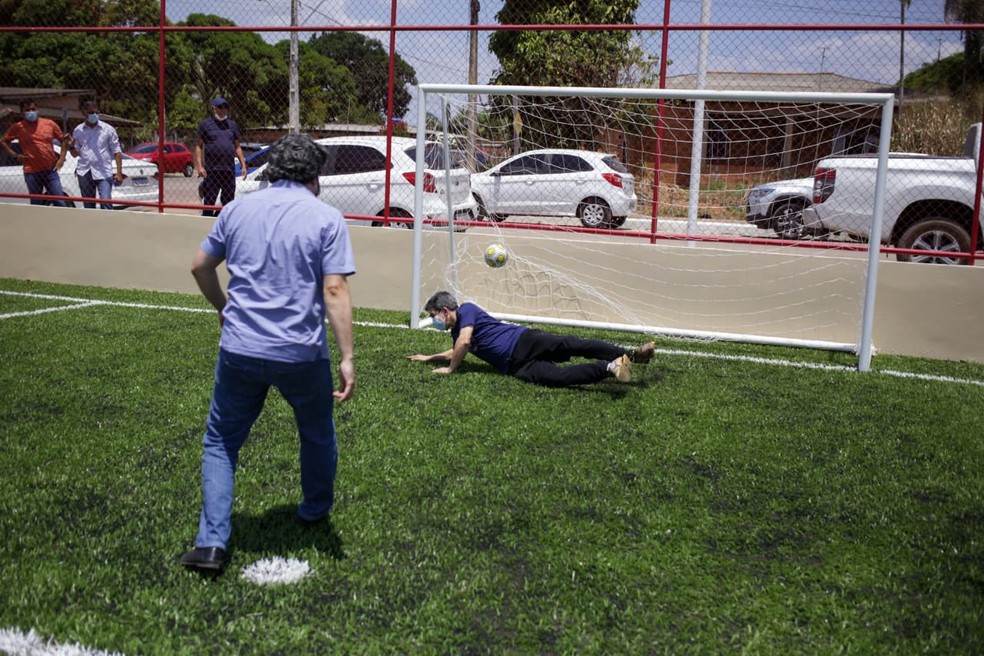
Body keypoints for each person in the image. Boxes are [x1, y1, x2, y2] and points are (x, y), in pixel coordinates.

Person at [181, 133, 356, 573]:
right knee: (316, 432)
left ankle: (211, 544)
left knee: (221, 441)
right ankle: (314, 511)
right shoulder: (327, 218)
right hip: (301, 352)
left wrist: (223, 307)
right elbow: (334, 288)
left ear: (272, 170)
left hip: (240, 348)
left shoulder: (237, 209)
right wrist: (347, 356)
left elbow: (199, 265)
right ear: (314, 175)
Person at [408, 291, 655, 387]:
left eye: (434, 316)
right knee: (559, 378)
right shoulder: (457, 332)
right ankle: (611, 367)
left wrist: (451, 371)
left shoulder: (467, 311)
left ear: (445, 311)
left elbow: (462, 345)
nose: (434, 320)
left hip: (524, 341)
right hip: (515, 365)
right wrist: (429, 357)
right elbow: (457, 349)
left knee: (572, 345)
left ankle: (633, 354)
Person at [1, 99, 70, 207]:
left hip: (50, 170)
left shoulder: (49, 124)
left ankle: (63, 223)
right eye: (27, 110)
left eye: (33, 109)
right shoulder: (18, 127)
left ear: (37, 110)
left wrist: (61, 159)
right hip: (31, 172)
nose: (31, 112)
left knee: (59, 201)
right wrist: (15, 155)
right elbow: (3, 141)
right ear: (22, 112)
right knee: (36, 204)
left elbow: (64, 140)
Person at [195, 97, 247, 217]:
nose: (223, 110)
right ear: (214, 108)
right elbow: (198, 146)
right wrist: (199, 166)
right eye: (220, 107)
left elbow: (237, 147)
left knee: (228, 202)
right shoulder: (206, 124)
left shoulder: (232, 125)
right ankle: (206, 225)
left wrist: (243, 164)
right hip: (212, 171)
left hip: (228, 170)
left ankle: (223, 225)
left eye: (225, 107)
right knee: (209, 201)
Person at [66, 100, 124, 210]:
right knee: (88, 206)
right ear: (84, 113)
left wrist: (119, 173)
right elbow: (75, 154)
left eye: (97, 112)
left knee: (106, 202)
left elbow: (117, 151)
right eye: (91, 112)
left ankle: (107, 225)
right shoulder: (78, 131)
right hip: (85, 171)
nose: (95, 115)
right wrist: (71, 146)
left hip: (103, 171)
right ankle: (92, 226)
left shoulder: (108, 130)